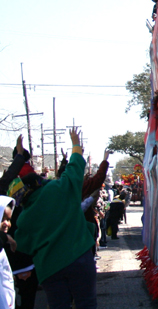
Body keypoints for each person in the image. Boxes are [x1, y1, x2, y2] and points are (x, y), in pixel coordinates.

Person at [14, 129, 97, 309]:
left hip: (49, 268)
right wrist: (75, 144)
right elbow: (74, 169)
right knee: (86, 303)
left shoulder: (24, 218)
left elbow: (22, 245)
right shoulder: (60, 188)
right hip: (80, 258)